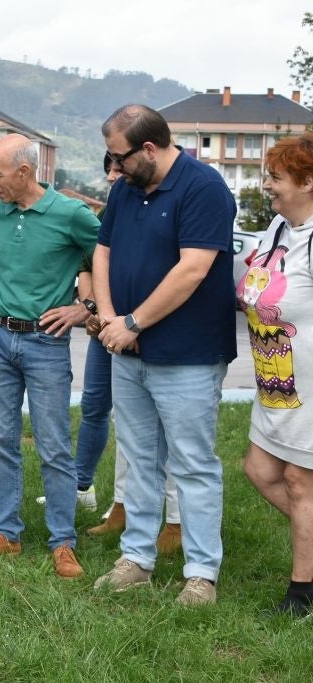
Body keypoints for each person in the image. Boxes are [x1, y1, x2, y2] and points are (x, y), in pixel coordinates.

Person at [93, 104, 237, 606]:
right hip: (128, 350)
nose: (113, 168)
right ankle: (137, 558)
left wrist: (133, 323)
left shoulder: (204, 188)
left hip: (188, 356)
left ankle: (201, 573)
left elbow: (193, 270)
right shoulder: (126, 191)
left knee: (193, 464)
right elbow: (103, 251)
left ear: (148, 149)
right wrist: (111, 319)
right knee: (138, 457)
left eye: (119, 158)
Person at [0, 133, 99, 578]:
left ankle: (63, 542)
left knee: (54, 446)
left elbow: (103, 257)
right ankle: (6, 534)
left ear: (25, 173)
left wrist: (86, 308)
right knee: (1, 440)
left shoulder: (71, 214)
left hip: (46, 343)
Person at [42, 156, 183, 553]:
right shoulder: (116, 208)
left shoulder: (169, 209)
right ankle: (121, 508)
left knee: (171, 434)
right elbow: (91, 263)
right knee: (128, 428)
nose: (110, 176)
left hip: (153, 330)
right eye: (109, 168)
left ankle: (175, 522)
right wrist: (97, 312)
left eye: (119, 167)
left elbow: (174, 275)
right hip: (112, 331)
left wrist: (131, 322)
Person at [237, 132, 313, 618]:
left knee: (300, 482)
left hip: (311, 387)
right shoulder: (277, 232)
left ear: (308, 182)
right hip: (275, 382)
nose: (267, 185)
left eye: (276, 178)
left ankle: (302, 594)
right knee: (259, 471)